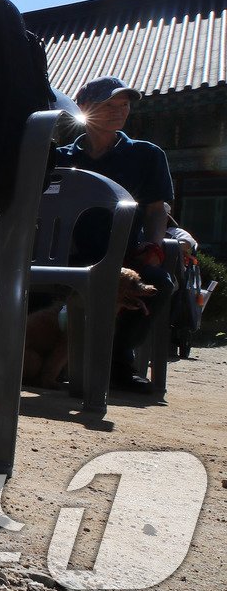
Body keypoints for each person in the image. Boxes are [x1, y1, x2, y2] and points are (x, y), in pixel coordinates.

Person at [55, 76, 175, 394]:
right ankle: (44, 359)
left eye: (124, 105)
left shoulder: (146, 155)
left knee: (158, 284)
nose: (118, 111)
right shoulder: (60, 157)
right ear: (83, 108)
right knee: (26, 283)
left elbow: (156, 209)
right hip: (66, 254)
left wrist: (154, 246)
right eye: (109, 105)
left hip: (122, 256)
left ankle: (116, 362)